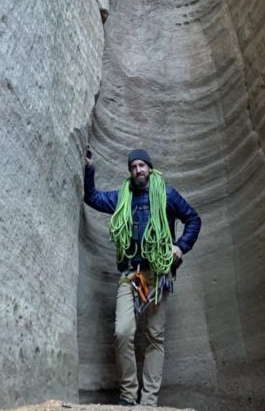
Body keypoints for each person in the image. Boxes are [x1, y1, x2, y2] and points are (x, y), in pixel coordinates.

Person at [84, 145, 201, 407]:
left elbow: (193, 219)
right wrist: (90, 169)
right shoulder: (121, 197)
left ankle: (148, 402)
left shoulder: (168, 195)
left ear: (150, 168)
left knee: (154, 336)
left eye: (142, 165)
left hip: (158, 275)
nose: (138, 170)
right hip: (130, 274)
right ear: (130, 171)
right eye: (134, 166)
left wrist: (180, 246)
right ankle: (128, 396)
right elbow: (91, 198)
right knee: (123, 331)